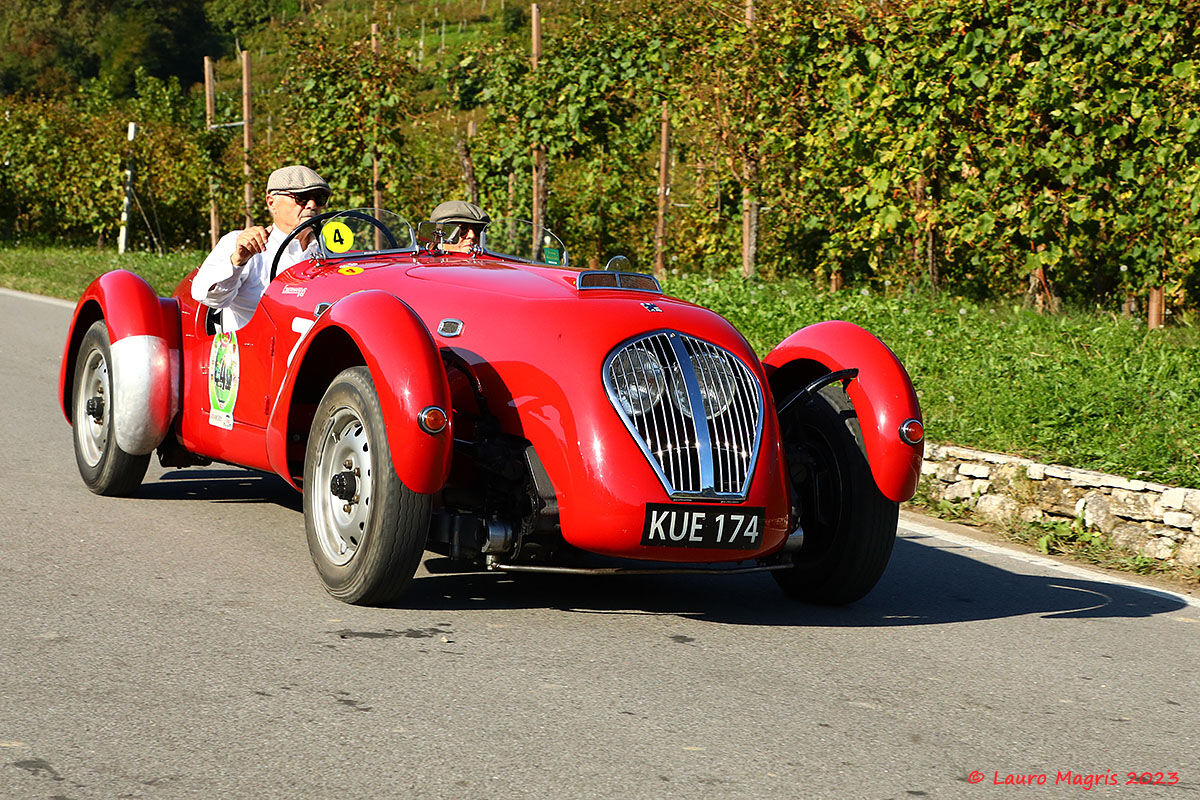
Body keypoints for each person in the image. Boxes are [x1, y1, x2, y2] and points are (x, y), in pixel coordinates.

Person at [192, 165, 331, 330]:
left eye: (319, 198)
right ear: (271, 203)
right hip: (253, 349)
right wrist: (238, 260)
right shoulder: (240, 243)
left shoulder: (330, 250)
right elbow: (210, 298)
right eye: (301, 197)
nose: (312, 205)